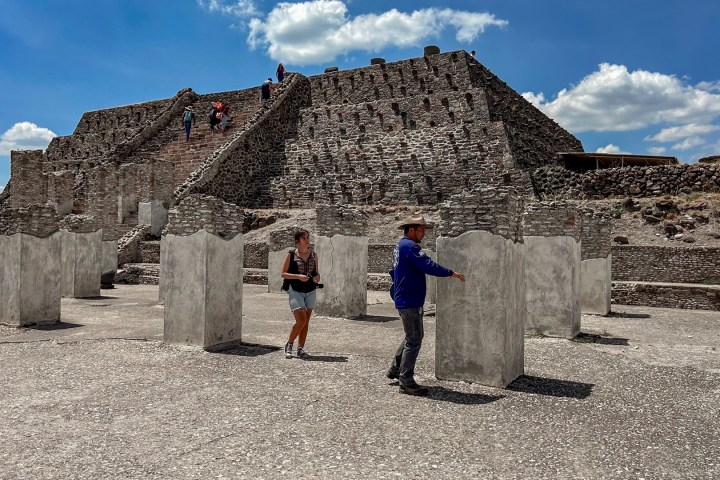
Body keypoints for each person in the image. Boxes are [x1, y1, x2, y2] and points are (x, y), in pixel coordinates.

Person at [387, 214, 465, 396]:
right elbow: (427, 265)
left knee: (412, 336)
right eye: (421, 230)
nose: (423, 234)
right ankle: (406, 381)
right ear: (411, 229)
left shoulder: (400, 246)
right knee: (414, 339)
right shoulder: (410, 247)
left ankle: (395, 370)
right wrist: (451, 273)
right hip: (410, 300)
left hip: (405, 298)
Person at [281, 229, 320, 359]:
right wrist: (298, 276)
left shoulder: (314, 255)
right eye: (304, 238)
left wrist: (317, 278)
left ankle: (300, 348)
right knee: (301, 320)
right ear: (298, 241)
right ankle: (289, 344)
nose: (307, 240)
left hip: (310, 291)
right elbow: (283, 274)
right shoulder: (291, 255)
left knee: (306, 322)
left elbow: (317, 273)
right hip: (296, 290)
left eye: (308, 237)